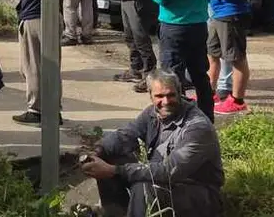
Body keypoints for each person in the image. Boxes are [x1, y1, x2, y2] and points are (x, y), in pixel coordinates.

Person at [80, 69, 224, 217]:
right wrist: (97, 151)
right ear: (150, 95)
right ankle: (115, 213)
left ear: (180, 92)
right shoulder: (152, 113)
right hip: (163, 184)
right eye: (160, 96)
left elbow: (168, 171)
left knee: (144, 185)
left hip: (198, 194)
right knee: (110, 155)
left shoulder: (197, 127)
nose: (166, 102)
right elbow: (125, 135)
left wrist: (114, 170)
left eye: (171, 95)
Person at [5, 0, 64, 124]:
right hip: (53, 16)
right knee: (52, 66)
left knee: (33, 67)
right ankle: (54, 109)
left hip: (34, 18)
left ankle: (36, 109)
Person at [206, 0, 255, 115]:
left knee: (236, 57)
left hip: (231, 13)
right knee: (212, 52)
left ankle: (237, 100)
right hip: (219, 12)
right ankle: (209, 92)